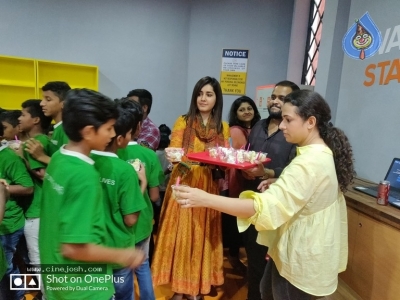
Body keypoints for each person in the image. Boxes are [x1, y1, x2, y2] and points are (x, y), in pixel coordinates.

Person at [174, 89, 354, 300]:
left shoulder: (309, 162)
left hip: (301, 258)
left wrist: (203, 198)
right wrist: (278, 182)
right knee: (265, 291)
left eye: (288, 120)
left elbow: (261, 207)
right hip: (297, 250)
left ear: (311, 122)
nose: (283, 125)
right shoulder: (317, 154)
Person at [39, 89, 144, 300]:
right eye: (109, 128)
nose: (113, 134)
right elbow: (74, 248)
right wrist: (125, 254)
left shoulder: (59, 157)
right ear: (88, 132)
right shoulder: (85, 175)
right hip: (85, 288)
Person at [152, 76, 230, 300]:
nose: (203, 98)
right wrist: (172, 156)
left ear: (217, 98)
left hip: (208, 184)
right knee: (182, 236)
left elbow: (224, 157)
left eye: (209, 94)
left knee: (202, 235)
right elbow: (175, 149)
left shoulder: (222, 127)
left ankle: (196, 286)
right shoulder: (183, 121)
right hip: (184, 180)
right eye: (199, 93)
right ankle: (179, 287)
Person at [241, 80, 299, 300]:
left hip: (278, 207)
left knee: (274, 265)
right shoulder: (258, 126)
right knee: (254, 260)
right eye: (274, 96)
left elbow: (296, 172)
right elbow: (250, 157)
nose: (276, 101)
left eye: (282, 98)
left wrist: (266, 173)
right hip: (251, 203)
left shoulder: (295, 132)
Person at [91, 98, 148, 300]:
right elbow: (130, 218)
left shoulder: (87, 160)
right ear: (121, 138)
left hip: (94, 247)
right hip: (117, 250)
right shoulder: (125, 171)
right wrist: (142, 183)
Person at [117, 99, 164, 300]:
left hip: (118, 223)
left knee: (122, 270)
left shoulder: (109, 154)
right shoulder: (149, 156)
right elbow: (154, 196)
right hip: (142, 221)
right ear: (138, 127)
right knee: (143, 265)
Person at [224, 96, 261, 273]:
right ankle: (233, 255)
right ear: (236, 114)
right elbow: (246, 155)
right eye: (241, 109)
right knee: (237, 218)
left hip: (253, 175)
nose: (246, 111)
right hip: (241, 176)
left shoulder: (257, 127)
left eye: (249, 108)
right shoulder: (236, 130)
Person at [0, 139, 34, 300]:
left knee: (5, 268)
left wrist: (4, 189)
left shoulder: (8, 158)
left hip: (8, 224)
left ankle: (19, 296)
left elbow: (27, 186)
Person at [24, 81, 71, 165]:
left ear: (63, 104)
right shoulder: (57, 128)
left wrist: (41, 156)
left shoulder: (68, 129)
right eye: (43, 99)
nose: (42, 103)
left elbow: (68, 166)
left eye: (48, 99)